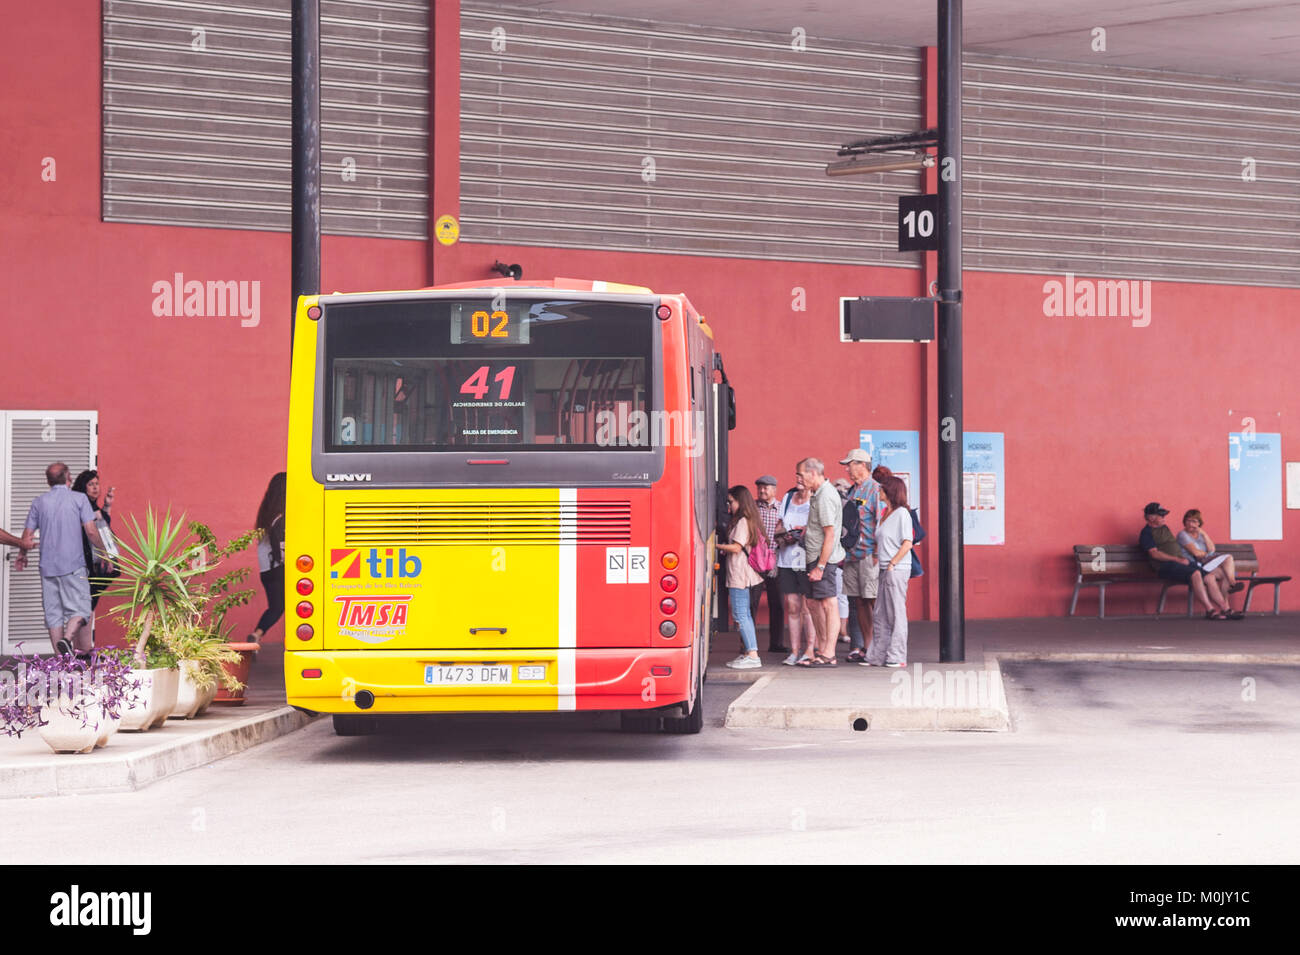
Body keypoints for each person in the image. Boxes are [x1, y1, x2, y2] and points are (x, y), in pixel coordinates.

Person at [16, 462, 107, 654]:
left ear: (48, 481)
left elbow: (27, 537)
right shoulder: (79, 499)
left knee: (53, 614)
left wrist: (22, 554)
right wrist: (104, 552)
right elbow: (91, 532)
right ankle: (67, 639)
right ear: (68, 477)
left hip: (48, 568)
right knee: (82, 608)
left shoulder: (39, 502)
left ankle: (60, 661)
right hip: (74, 566)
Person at [1139, 502, 1238, 619]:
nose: (1163, 517)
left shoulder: (1164, 528)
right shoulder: (1146, 533)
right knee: (1195, 574)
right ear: (1150, 517)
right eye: (1160, 515)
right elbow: (1154, 554)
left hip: (1180, 563)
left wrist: (1181, 560)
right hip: (1164, 566)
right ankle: (1210, 610)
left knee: (1210, 577)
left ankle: (1225, 609)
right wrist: (1177, 559)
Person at [841, 449, 888, 663]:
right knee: (858, 601)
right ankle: (867, 647)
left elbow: (883, 521)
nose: (847, 468)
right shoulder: (851, 492)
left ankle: (881, 647)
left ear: (862, 464)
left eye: (850, 464)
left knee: (873, 601)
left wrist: (878, 552)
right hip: (852, 555)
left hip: (870, 554)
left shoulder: (876, 490)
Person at [862, 475, 913, 667]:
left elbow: (907, 543)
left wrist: (892, 563)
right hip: (884, 568)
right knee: (880, 613)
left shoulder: (902, 514)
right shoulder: (885, 512)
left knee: (896, 613)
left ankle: (898, 656)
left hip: (896, 569)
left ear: (890, 491)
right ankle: (876, 656)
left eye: (882, 489)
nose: (878, 491)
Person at [797, 457, 844, 667]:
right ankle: (824, 648)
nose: (798, 479)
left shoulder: (825, 496)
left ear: (813, 473)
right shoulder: (818, 494)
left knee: (828, 602)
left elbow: (830, 535)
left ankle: (829, 653)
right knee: (813, 603)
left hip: (822, 559)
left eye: (801, 474)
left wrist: (821, 566)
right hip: (814, 557)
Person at [773, 467, 816, 666]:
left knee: (807, 607)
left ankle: (810, 649)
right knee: (791, 605)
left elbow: (820, 528)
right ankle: (794, 651)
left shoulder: (815, 500)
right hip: (787, 558)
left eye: (801, 476)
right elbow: (778, 525)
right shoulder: (788, 497)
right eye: (796, 475)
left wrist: (804, 532)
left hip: (805, 558)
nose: (798, 479)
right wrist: (785, 535)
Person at [717, 485, 763, 669]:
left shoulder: (743, 521)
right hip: (742, 574)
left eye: (731, 501)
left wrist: (716, 546)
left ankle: (752, 654)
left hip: (740, 575)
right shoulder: (748, 519)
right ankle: (748, 653)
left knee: (741, 615)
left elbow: (736, 547)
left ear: (740, 501)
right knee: (744, 615)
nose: (729, 505)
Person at [751, 474, 787, 653]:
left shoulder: (782, 509)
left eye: (766, 487)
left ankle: (777, 643)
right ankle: (748, 645)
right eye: (760, 487)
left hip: (776, 561)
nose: (762, 491)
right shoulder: (752, 509)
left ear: (775, 490)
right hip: (756, 561)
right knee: (752, 602)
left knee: (778, 604)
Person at [71, 469, 117, 612]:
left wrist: (107, 505)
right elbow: (90, 531)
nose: (96, 487)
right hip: (87, 561)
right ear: (83, 487)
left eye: (97, 484)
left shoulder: (93, 505)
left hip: (99, 560)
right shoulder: (80, 506)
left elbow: (103, 525)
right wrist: (105, 555)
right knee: (85, 606)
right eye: (91, 484)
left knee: (90, 604)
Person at [249, 472, 287, 644]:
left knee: (276, 607)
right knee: (281, 606)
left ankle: (257, 635)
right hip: (279, 568)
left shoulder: (267, 514)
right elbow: (281, 546)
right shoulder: (281, 518)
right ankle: (257, 635)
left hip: (266, 571)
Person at [1177, 509, 1242, 596]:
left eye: (1194, 521)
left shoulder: (1200, 534)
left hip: (1206, 564)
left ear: (1199, 523)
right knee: (1228, 557)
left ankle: (1226, 607)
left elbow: (1212, 549)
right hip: (1195, 565)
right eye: (1188, 520)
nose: (1190, 524)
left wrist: (1204, 534)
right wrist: (1208, 554)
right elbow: (1196, 553)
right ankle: (1233, 583)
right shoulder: (1182, 535)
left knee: (1226, 574)